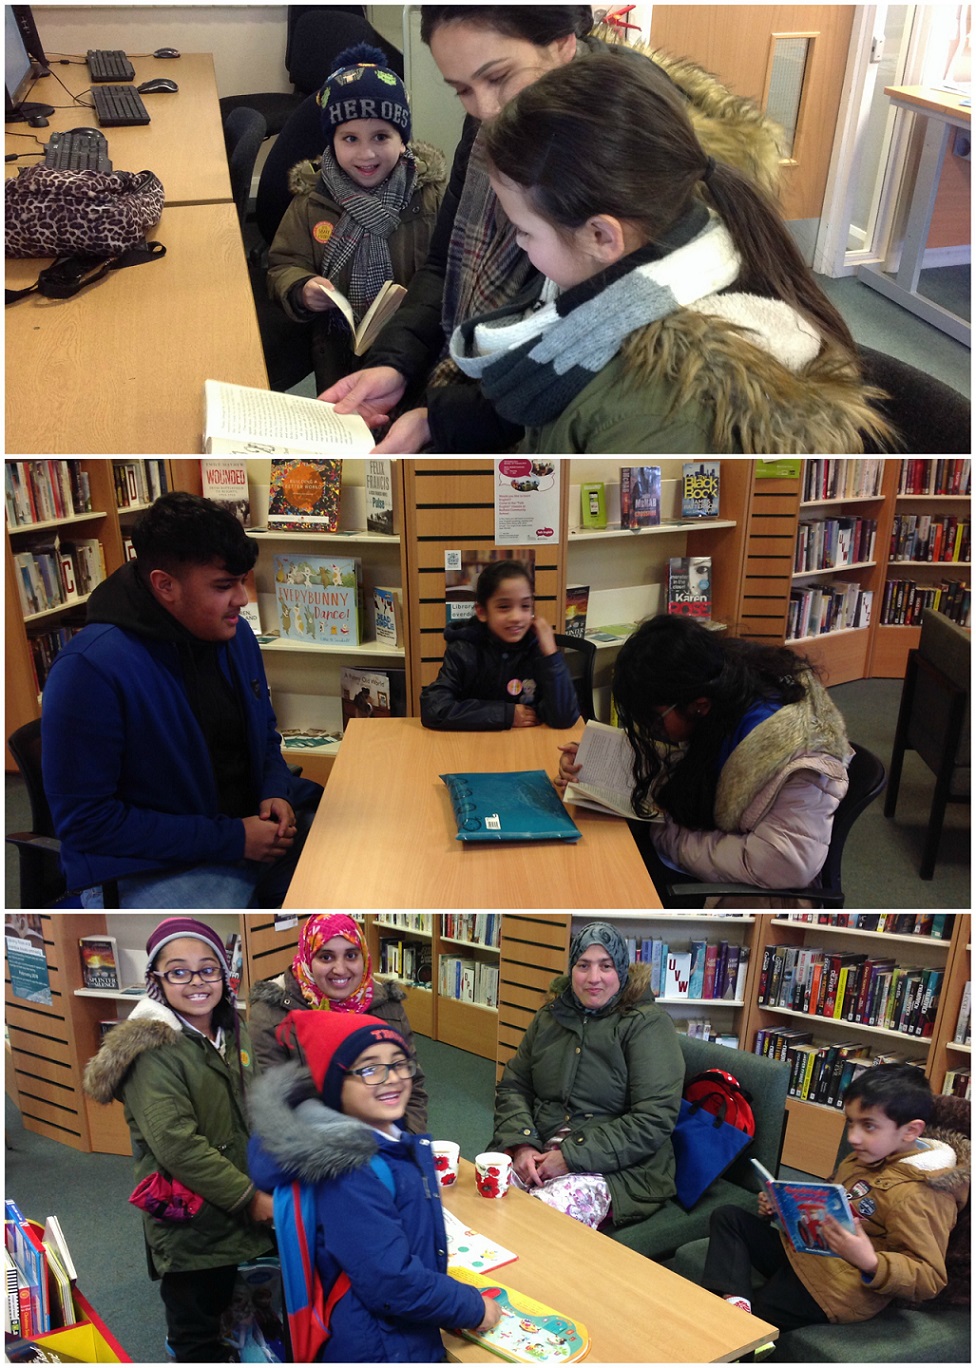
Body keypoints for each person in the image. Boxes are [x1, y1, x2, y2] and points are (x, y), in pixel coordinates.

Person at [322, 5, 786, 452]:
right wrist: (396, 363)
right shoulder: (503, 121)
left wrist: (439, 420)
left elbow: (572, 350)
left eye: (499, 77)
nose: (484, 110)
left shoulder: (624, 155)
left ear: (564, 44)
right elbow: (446, 264)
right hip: (475, 384)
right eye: (461, 89)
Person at [446, 53, 895, 453]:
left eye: (524, 232)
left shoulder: (653, 412)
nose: (520, 245)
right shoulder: (675, 252)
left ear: (602, 237)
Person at [41, 492, 322, 909]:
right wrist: (233, 839)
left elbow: (264, 733)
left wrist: (274, 790)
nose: (242, 600)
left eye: (242, 581)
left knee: (355, 861)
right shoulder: (90, 669)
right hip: (151, 865)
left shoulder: (236, 636)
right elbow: (86, 823)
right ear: (165, 585)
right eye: (224, 586)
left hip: (246, 831)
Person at [247, 1010, 501, 1361]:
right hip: (379, 1345)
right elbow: (390, 1280)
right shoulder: (347, 1168)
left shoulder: (388, 1141)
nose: (391, 1078)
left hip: (399, 1330)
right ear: (336, 1086)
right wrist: (471, 1307)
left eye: (399, 1063)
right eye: (369, 1069)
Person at [558, 615, 853, 905]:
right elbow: (687, 755)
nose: (651, 731)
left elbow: (783, 863)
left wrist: (665, 833)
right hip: (713, 851)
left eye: (653, 720)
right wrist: (597, 760)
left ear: (699, 706)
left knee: (608, 877)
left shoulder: (798, 759)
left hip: (753, 893)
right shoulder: (716, 688)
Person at [83, 918, 275, 1363]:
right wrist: (249, 1197)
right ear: (157, 980)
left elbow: (256, 1100)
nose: (196, 982)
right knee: (196, 1325)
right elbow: (176, 1145)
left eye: (208, 969)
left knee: (233, 1297)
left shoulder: (231, 1027)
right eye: (179, 971)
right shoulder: (152, 1050)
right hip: (191, 1218)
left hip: (237, 1194)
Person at [701, 1063, 970, 1331]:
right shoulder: (865, 1157)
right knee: (728, 1217)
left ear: (911, 1131)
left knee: (753, 1320)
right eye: (850, 1123)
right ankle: (737, 1304)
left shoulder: (923, 1193)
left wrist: (870, 1261)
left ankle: (739, 1328)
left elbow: (929, 1278)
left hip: (837, 1288)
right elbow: (828, 1203)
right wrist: (782, 1208)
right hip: (806, 1253)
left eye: (869, 1126)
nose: (853, 1137)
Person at [266, 43, 447, 394]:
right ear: (331, 141)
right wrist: (301, 289)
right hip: (336, 351)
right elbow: (283, 264)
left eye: (381, 136)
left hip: (414, 346)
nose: (366, 153)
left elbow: (450, 268)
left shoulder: (430, 198)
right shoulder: (312, 202)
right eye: (350, 138)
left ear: (403, 140)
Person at [491, 920, 684, 1229]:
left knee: (535, 1223)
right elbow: (514, 1086)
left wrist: (570, 1157)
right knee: (485, 1198)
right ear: (571, 970)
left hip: (619, 1169)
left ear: (621, 969)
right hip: (541, 1147)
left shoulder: (648, 1026)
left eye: (605, 966)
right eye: (584, 965)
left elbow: (653, 1119)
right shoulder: (549, 1017)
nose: (594, 978)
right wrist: (523, 1144)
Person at [248, 913, 430, 1133]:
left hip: (389, 1135)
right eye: (326, 957)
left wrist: (409, 1144)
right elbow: (276, 1107)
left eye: (351, 955)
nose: (341, 969)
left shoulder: (386, 1003)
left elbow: (413, 1086)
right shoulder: (272, 1013)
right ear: (307, 958)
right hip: (319, 1145)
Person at [420, 559, 579, 730]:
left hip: (526, 746)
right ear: (482, 612)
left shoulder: (539, 648)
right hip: (472, 746)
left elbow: (564, 718)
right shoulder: (464, 648)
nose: (517, 616)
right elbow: (434, 709)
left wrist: (551, 655)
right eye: (504, 607)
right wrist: (505, 714)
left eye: (525, 606)